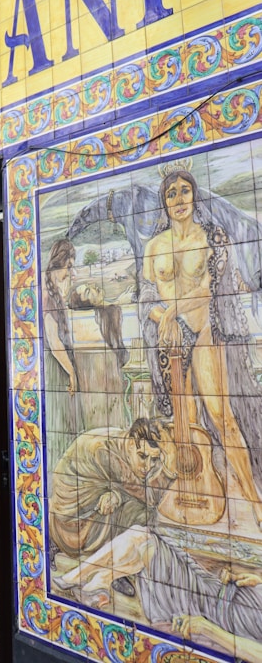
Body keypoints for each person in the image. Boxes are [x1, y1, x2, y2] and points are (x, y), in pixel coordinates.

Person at [139, 162, 262, 527]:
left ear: (194, 195)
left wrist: (174, 309)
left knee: (223, 419)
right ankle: (195, 497)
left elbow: (210, 288)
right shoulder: (154, 246)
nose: (178, 199)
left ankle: (255, 501)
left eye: (184, 191)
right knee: (185, 425)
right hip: (170, 343)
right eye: (171, 193)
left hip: (203, 333)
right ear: (164, 202)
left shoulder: (210, 236)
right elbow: (145, 295)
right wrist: (164, 319)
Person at [53, 524, 262, 663]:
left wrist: (207, 629)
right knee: (142, 538)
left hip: (214, 615)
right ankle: (92, 582)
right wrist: (255, 581)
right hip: (219, 592)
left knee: (143, 542)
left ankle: (81, 581)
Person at [49, 418, 171, 559]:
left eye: (153, 459)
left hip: (82, 503)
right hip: (71, 524)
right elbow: (148, 499)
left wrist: (117, 495)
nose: (148, 467)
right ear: (131, 444)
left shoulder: (123, 441)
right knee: (143, 514)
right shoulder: (107, 453)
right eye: (143, 457)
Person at [43, 238, 83, 469]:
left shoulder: (54, 293)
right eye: (68, 267)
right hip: (56, 368)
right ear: (60, 263)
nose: (71, 272)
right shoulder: (48, 297)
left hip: (61, 366)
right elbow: (54, 342)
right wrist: (72, 373)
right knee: (59, 421)